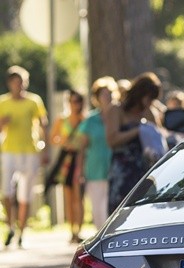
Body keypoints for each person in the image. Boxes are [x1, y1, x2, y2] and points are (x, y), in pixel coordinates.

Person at [0, 65, 49, 248]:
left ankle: (22, 231)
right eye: (14, 82)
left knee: (25, 194)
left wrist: (46, 150)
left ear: (25, 83)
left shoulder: (34, 101)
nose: (18, 86)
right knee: (6, 191)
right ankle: (10, 226)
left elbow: (43, 125)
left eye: (21, 82)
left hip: (30, 151)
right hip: (9, 150)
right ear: (9, 84)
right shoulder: (2, 103)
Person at [104, 71, 163, 214]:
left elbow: (159, 138)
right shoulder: (116, 110)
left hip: (144, 172)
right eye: (148, 98)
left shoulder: (149, 113)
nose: (150, 103)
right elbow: (112, 140)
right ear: (140, 94)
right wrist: (137, 131)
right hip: (123, 172)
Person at [76, 76, 117, 230]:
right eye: (104, 95)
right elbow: (82, 147)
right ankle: (100, 238)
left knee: (112, 207)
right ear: (97, 98)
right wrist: (79, 171)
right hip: (94, 170)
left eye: (110, 94)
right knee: (98, 208)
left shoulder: (118, 116)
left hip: (115, 169)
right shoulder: (91, 120)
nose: (108, 98)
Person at [50, 89, 86, 243]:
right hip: (66, 161)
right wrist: (63, 141)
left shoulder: (85, 119)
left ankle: (79, 229)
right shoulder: (62, 119)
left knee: (79, 197)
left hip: (80, 159)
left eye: (78, 101)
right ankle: (72, 231)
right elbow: (52, 138)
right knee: (68, 196)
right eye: (72, 101)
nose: (75, 104)